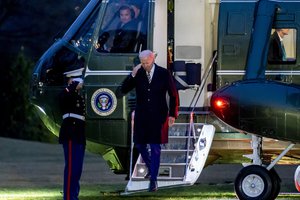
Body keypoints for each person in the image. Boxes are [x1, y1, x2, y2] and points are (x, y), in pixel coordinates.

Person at [118, 50, 179, 192]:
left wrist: (172, 114)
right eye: (142, 63)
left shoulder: (163, 73)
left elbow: (173, 94)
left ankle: (153, 180)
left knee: (156, 148)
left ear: (152, 60)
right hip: (142, 116)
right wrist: (132, 75)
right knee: (139, 145)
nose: (144, 65)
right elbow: (123, 90)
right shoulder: (138, 73)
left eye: (147, 63)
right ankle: (152, 167)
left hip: (159, 116)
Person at [59, 66, 86, 200]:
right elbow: (63, 97)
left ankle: (74, 194)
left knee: (78, 168)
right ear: (71, 81)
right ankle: (69, 197)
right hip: (70, 131)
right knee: (71, 168)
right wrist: (74, 86)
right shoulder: (66, 92)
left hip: (79, 133)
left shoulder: (78, 95)